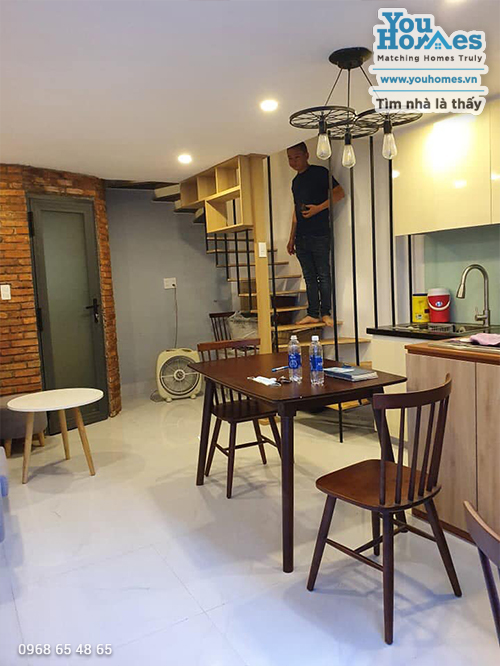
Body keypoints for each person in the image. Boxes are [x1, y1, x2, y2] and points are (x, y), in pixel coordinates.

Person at [286, 142, 344, 327]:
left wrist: (318, 208)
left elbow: (339, 193)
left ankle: (325, 313)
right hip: (301, 236)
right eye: (290, 158)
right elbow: (296, 211)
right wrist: (291, 237)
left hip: (319, 233)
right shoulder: (295, 182)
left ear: (306, 155)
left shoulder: (320, 173)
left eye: (297, 157)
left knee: (323, 274)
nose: (293, 162)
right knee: (309, 277)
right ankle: (312, 313)